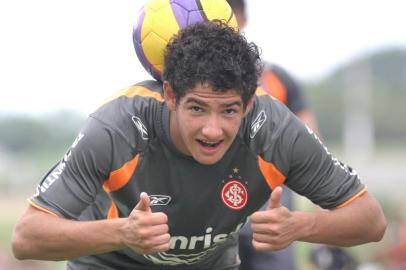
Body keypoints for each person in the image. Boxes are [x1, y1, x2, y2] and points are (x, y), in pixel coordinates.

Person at [12, 21, 386, 270]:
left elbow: (370, 220)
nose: (212, 129)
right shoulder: (116, 128)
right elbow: (27, 237)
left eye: (229, 110)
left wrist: (300, 226)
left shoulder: (275, 131)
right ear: (171, 95)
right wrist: (123, 233)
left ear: (250, 103)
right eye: (197, 108)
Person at [226, 0, 318, 269]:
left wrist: (322, 200)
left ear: (243, 19)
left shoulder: (276, 79)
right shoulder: (192, 80)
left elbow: (310, 140)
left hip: (271, 198)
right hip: (216, 200)